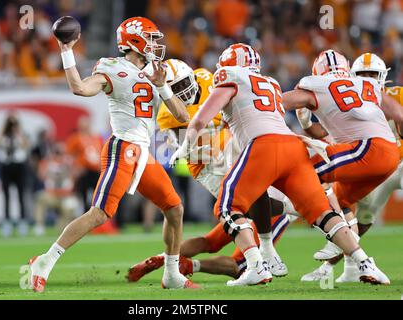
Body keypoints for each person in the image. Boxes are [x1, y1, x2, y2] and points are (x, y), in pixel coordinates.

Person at [171, 43, 389, 286]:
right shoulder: (271, 83)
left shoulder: (229, 76)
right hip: (293, 149)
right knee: (322, 213)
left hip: (265, 146)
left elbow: (201, 118)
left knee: (227, 207)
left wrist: (184, 145)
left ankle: (256, 267)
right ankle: (365, 263)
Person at [28, 17, 198, 293]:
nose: (156, 44)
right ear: (134, 40)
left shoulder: (157, 71)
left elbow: (182, 116)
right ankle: (44, 261)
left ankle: (172, 274)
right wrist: (66, 50)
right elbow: (79, 88)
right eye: (151, 38)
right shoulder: (112, 67)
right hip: (123, 148)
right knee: (100, 214)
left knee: (174, 208)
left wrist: (162, 86)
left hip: (142, 153)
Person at [127, 59, 294, 282]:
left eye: (184, 83)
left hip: (228, 147)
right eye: (174, 88)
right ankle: (291, 217)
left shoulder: (206, 78)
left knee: (231, 217)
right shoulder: (167, 112)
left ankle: (168, 260)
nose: (182, 90)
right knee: (237, 210)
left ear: (192, 75)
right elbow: (188, 140)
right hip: (205, 162)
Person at [283, 49, 402, 285]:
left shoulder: (315, 87)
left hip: (368, 150)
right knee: (344, 201)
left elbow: (276, 102)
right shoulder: (367, 87)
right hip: (387, 154)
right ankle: (359, 261)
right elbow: (399, 114)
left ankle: (321, 224)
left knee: (302, 174)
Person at [0, 113, 30, 237]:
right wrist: (5, 127)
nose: (12, 127)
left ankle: (22, 222)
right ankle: (7, 222)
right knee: (6, 195)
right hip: (6, 165)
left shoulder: (20, 135)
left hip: (19, 166)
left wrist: (18, 131)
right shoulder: (3, 136)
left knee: (21, 194)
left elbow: (26, 145)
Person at [33, 143, 77, 236]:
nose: (59, 156)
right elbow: (41, 175)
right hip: (52, 195)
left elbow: (74, 176)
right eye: (57, 153)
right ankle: (39, 225)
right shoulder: (48, 163)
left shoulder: (68, 164)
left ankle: (62, 229)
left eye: (60, 153)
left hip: (65, 196)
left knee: (71, 206)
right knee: (40, 198)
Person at [65, 116, 103, 210]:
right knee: (83, 196)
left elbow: (101, 153)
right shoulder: (75, 138)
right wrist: (75, 168)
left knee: (98, 195)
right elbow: (68, 156)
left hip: (96, 171)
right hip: (83, 171)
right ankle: (83, 216)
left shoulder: (96, 138)